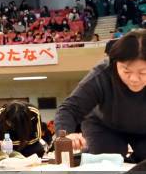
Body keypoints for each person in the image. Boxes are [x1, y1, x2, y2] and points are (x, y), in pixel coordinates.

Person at [55, 30, 146, 161]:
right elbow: (69, 109)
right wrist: (66, 135)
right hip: (105, 126)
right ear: (115, 62)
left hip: (143, 129)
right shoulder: (102, 74)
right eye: (126, 71)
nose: (134, 79)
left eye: (143, 73)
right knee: (107, 162)